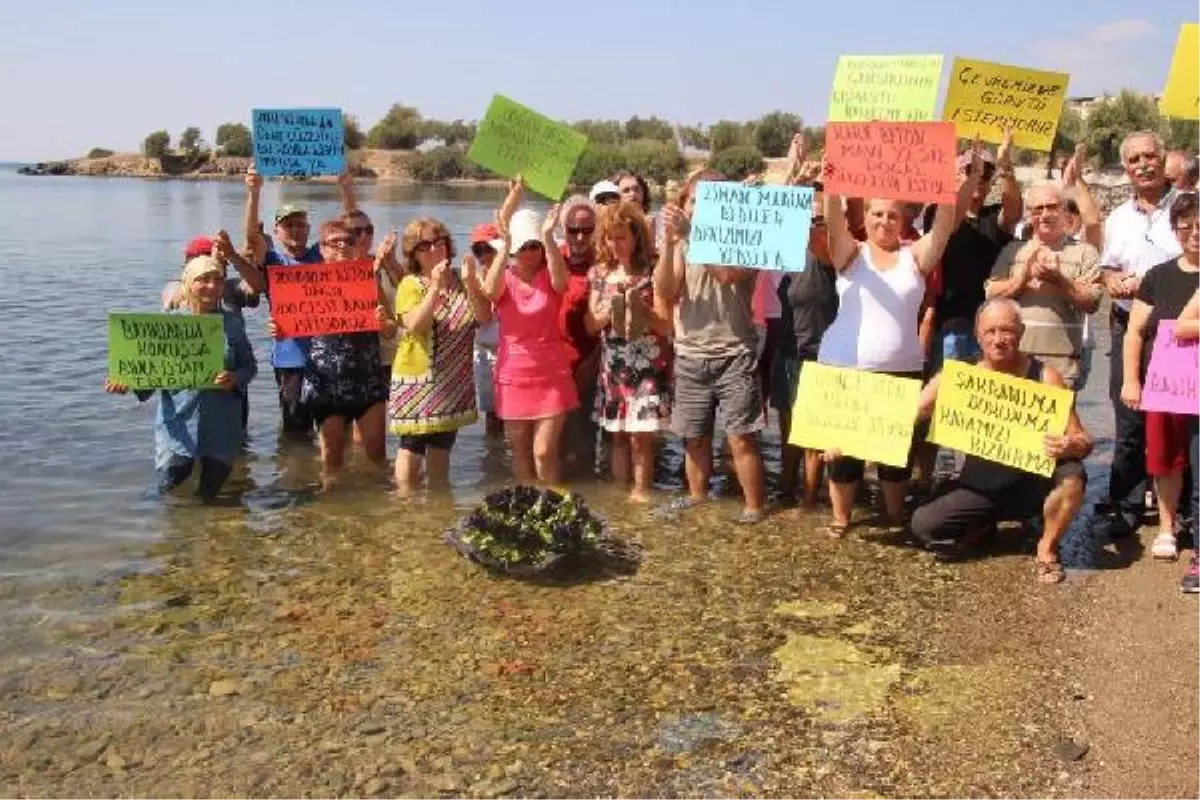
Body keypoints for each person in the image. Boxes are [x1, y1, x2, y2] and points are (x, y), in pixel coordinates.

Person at [816, 151, 979, 536]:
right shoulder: (850, 255)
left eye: (892, 215)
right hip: (844, 366)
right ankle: (840, 520)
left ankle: (893, 516)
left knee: (897, 451)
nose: (884, 221)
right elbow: (835, 222)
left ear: (903, 219)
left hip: (902, 366)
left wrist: (948, 187)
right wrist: (832, 181)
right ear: (866, 219)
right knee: (844, 453)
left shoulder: (915, 257)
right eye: (876, 214)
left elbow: (942, 229)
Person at [910, 298, 1091, 584]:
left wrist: (1071, 445)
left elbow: (1083, 439)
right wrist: (852, 442)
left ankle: (1047, 549)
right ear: (978, 336)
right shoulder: (960, 375)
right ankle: (983, 523)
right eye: (990, 331)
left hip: (1032, 484)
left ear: (1020, 333)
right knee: (924, 526)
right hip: (982, 483)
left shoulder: (1045, 376)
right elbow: (913, 412)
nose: (998, 339)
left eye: (1006, 331)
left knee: (1072, 475)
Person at [654, 169, 766, 524]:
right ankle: (698, 499)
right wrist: (671, 244)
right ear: (685, 204)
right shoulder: (682, 238)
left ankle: (754, 508)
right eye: (694, 201)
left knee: (741, 438)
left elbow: (728, 275)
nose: (699, 208)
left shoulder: (746, 237)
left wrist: (691, 234)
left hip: (735, 351)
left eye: (709, 201)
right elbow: (667, 289)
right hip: (690, 352)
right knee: (694, 437)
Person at [105, 255, 257, 500]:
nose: (211, 286)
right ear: (186, 284)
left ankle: (204, 535)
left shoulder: (232, 324)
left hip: (222, 427)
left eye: (218, 280)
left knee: (209, 497)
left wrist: (234, 378)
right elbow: (147, 382)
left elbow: (249, 367)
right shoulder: (166, 327)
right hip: (178, 428)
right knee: (160, 493)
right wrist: (127, 384)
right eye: (203, 279)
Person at [1097, 131, 1184, 540]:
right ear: (1126, 168)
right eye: (1134, 160)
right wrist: (1112, 280)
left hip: (1181, 331)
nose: (1144, 165)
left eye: (1150, 156)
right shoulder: (1118, 219)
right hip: (1128, 325)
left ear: (1163, 158)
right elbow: (1107, 267)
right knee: (1129, 418)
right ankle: (1127, 504)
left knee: (1181, 421)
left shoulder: (1188, 207)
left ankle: (1183, 509)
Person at [270, 219, 388, 487]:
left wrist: (384, 322)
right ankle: (332, 514)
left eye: (349, 241)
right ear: (321, 248)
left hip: (367, 379)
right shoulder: (306, 282)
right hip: (326, 382)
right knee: (332, 457)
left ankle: (378, 511)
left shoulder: (368, 278)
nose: (343, 247)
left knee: (376, 453)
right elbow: (289, 325)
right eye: (335, 243)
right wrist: (280, 329)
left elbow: (391, 329)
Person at [1119, 192, 1200, 562]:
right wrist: (1131, 380)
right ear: (1175, 229)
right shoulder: (1158, 275)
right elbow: (1135, 331)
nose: (1195, 232)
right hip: (1166, 384)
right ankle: (1167, 527)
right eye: (1186, 226)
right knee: (1165, 457)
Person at [387, 216, 492, 491]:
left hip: (454, 382)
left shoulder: (462, 278)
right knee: (411, 449)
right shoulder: (410, 284)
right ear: (414, 254)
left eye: (438, 242)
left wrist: (470, 283)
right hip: (418, 380)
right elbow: (414, 325)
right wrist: (434, 287)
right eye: (424, 246)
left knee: (441, 450)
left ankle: (437, 513)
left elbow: (483, 318)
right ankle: (405, 510)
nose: (434, 249)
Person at [482, 199, 579, 485]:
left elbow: (563, 283)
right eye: (523, 247)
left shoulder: (550, 277)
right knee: (521, 452)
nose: (529, 252)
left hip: (551, 374)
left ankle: (552, 505)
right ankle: (529, 506)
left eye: (533, 246)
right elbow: (489, 291)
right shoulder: (504, 278)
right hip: (513, 374)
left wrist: (548, 237)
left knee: (544, 451)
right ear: (513, 249)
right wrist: (506, 244)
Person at [586, 201, 672, 502]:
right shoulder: (599, 273)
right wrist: (612, 309)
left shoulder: (653, 269)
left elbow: (665, 325)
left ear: (637, 235)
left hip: (648, 363)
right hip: (614, 365)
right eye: (610, 237)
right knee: (618, 435)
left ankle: (640, 492)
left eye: (621, 236)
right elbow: (590, 325)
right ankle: (620, 492)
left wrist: (642, 310)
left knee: (641, 438)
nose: (615, 244)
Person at [985, 183, 1103, 391]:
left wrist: (1059, 280)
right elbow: (991, 295)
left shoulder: (1085, 253)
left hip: (1060, 363)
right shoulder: (1012, 250)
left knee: (1059, 424)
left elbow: (1092, 302)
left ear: (1065, 213)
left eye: (1052, 207)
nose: (1045, 214)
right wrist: (1022, 279)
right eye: (1037, 209)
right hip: (1013, 357)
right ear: (1029, 215)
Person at [922, 132, 1022, 373]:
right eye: (969, 171)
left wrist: (1005, 166)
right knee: (945, 400)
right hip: (952, 327)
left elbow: (1013, 214)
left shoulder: (993, 216)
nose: (979, 179)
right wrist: (972, 176)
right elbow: (951, 222)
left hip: (993, 329)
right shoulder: (939, 212)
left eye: (986, 174)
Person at [244, 165, 323, 436]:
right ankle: (296, 475)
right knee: (296, 433)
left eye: (300, 224)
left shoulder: (319, 257)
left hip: (327, 357)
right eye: (288, 225)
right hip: (290, 361)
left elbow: (348, 231)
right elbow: (252, 237)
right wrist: (254, 193)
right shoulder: (275, 263)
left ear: (309, 229)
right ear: (277, 231)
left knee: (332, 429)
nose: (295, 230)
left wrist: (347, 188)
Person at [773, 184, 838, 509]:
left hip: (819, 350)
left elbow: (827, 251)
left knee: (811, 433)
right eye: (806, 217)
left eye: (818, 218)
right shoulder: (780, 246)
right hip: (785, 348)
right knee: (787, 430)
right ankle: (785, 489)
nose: (811, 223)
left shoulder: (830, 249)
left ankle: (809, 501)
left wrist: (820, 226)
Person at [555, 194, 603, 475]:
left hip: (588, 366)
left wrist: (593, 363)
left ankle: (586, 500)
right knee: (552, 444)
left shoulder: (604, 263)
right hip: (552, 367)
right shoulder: (550, 258)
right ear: (564, 229)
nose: (580, 237)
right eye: (574, 229)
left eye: (587, 229)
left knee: (583, 443)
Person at [467, 223, 506, 438]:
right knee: (491, 416)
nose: (483, 255)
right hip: (483, 352)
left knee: (512, 414)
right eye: (477, 250)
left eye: (487, 249)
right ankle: (494, 463)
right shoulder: (472, 277)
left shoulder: (511, 274)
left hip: (508, 352)